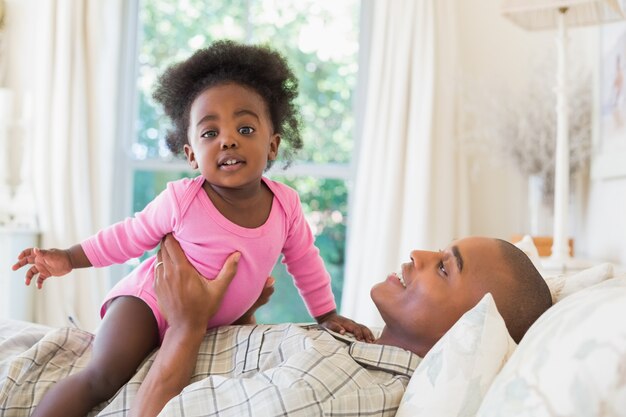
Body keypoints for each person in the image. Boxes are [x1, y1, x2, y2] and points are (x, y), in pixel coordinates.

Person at [11, 40, 371, 417]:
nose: (228, 139)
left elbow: (305, 262)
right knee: (103, 376)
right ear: (191, 156)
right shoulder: (182, 199)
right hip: (146, 304)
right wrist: (69, 257)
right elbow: (128, 237)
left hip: (210, 319)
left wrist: (327, 315)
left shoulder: (286, 205)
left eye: (246, 128)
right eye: (209, 133)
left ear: (273, 145)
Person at [128, 233, 552, 417]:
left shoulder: (335, 392)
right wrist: (240, 318)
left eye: (443, 268)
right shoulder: (355, 351)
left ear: (467, 327)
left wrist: (186, 326)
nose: (418, 255)